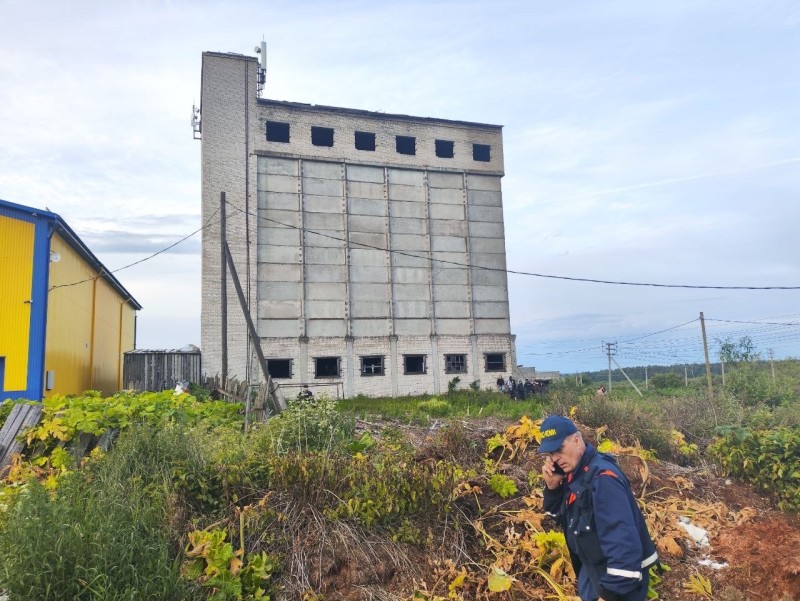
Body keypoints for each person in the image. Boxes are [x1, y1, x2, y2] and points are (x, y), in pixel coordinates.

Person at [538, 416, 657, 601]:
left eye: (559, 449)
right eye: (550, 454)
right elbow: (562, 519)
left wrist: (609, 594)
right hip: (593, 573)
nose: (555, 458)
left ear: (577, 441)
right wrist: (553, 489)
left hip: (616, 583)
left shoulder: (603, 479)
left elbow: (624, 548)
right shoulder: (577, 474)